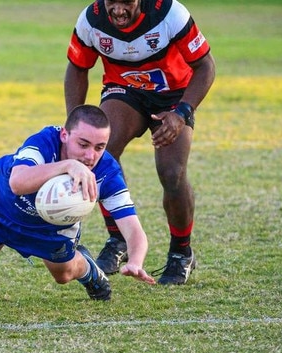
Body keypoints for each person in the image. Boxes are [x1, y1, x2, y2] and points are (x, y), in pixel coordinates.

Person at [64, 0, 216, 285]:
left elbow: (206, 66)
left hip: (174, 96)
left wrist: (182, 114)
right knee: (100, 154)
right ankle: (117, 239)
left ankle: (181, 253)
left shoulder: (170, 14)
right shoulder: (91, 19)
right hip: (124, 91)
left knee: (172, 174)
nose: (119, 10)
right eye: (112, 2)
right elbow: (77, 67)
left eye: (127, 2)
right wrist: (75, 120)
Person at [0, 105, 155, 301]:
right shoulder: (45, 141)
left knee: (63, 276)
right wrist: (68, 165)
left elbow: (133, 229)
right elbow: (18, 183)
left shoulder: (107, 173)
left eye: (100, 147)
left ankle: (89, 271)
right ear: (64, 135)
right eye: (83, 144)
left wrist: (135, 262)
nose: (91, 156)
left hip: (50, 229)